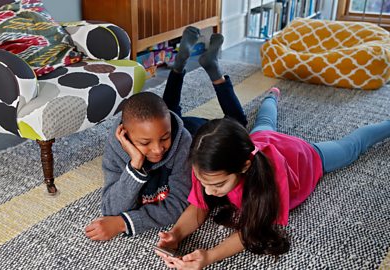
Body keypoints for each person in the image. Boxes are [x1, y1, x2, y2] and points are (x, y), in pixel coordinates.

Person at [155, 87, 390, 269]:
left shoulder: (270, 179)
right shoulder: (206, 164)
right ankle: (271, 95)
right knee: (265, 122)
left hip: (306, 155)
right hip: (260, 139)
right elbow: (199, 204)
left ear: (245, 167)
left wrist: (210, 256)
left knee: (351, 147)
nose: (207, 191)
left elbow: (252, 230)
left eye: (217, 185)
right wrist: (176, 234)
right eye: (203, 182)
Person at [84, 26, 248, 241]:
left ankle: (213, 69)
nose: (158, 149)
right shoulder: (118, 148)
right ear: (125, 135)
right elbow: (111, 207)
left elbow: (180, 203)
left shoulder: (180, 142)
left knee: (239, 127)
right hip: (168, 125)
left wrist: (123, 223)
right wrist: (135, 164)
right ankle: (179, 64)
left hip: (197, 132)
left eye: (163, 140)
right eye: (144, 143)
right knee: (167, 110)